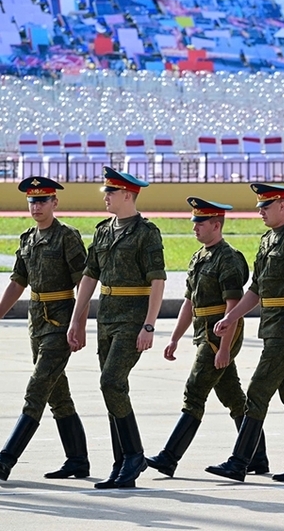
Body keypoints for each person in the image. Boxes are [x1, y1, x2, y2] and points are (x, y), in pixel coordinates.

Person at [206, 184, 284, 483]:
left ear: (283, 206)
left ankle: (239, 462)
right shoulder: (269, 240)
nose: (260, 211)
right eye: (260, 206)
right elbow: (256, 290)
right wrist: (230, 316)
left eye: (266, 206)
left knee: (257, 391)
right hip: (273, 327)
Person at [145, 197, 268, 478]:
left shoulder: (229, 258)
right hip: (204, 334)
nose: (195, 228)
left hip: (219, 336)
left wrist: (225, 348)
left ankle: (169, 456)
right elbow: (190, 303)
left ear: (216, 224)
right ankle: (257, 458)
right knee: (234, 399)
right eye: (194, 222)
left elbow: (232, 308)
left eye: (201, 223)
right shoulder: (199, 258)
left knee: (194, 392)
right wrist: (175, 338)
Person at [68, 167, 166, 489]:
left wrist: (149, 326)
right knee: (113, 391)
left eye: (111, 192)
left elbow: (157, 280)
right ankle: (121, 462)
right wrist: (76, 318)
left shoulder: (146, 232)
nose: (106, 197)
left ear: (127, 195)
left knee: (111, 382)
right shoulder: (103, 230)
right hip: (106, 318)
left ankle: (134, 455)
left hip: (132, 320)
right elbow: (89, 275)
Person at [0, 177, 89, 481]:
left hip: (60, 322)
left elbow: (84, 284)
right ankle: (78, 460)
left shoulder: (67, 237)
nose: (36, 207)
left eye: (42, 201)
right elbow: (18, 281)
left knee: (37, 388)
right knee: (57, 393)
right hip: (36, 321)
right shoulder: (27, 239)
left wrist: (78, 323)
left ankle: (5, 459)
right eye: (32, 201)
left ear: (55, 203)